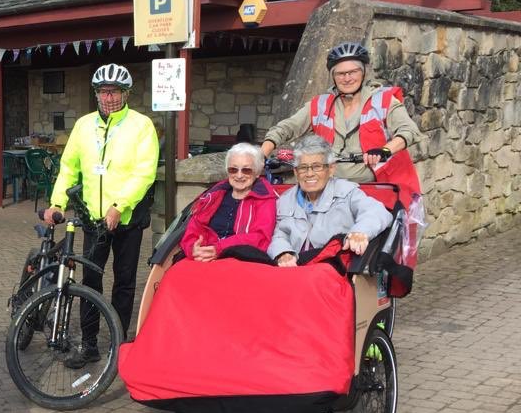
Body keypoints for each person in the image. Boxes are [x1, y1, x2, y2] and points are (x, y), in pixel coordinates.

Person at [42, 63, 159, 367]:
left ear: (125, 94)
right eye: (103, 92)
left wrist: (120, 205)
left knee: (124, 282)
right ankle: (90, 344)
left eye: (114, 92)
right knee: (89, 281)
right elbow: (69, 167)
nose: (108, 98)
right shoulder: (83, 125)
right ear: (96, 94)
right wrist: (56, 203)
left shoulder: (141, 125)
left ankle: (118, 344)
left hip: (126, 219)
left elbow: (144, 173)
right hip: (93, 220)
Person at [261, 41, 421, 207]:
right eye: (341, 74)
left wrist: (385, 150)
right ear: (333, 76)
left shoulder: (383, 100)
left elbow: (409, 130)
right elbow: (287, 127)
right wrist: (262, 153)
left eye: (353, 72)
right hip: (328, 188)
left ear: (364, 72)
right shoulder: (321, 104)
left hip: (376, 189)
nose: (347, 78)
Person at [268, 135, 392, 266]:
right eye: (303, 167)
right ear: (295, 172)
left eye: (317, 166)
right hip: (295, 271)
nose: (309, 173)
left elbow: (377, 212)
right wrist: (283, 252)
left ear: (331, 169)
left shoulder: (347, 192)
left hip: (332, 269)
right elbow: (280, 234)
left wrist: (360, 232)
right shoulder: (286, 199)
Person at [179, 142, 278, 262]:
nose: (239, 175)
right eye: (233, 169)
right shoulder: (214, 195)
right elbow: (194, 227)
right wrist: (192, 248)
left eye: (246, 170)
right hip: (203, 257)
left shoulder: (265, 198)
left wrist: (219, 248)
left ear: (257, 172)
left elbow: (261, 238)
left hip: (243, 260)